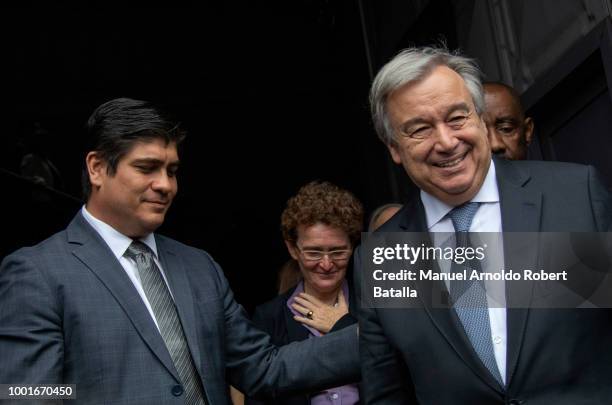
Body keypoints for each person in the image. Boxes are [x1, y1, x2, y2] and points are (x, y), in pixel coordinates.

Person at [0, 98, 359, 405]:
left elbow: (265, 369)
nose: (165, 185)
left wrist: (377, 333)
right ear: (96, 168)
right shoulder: (38, 272)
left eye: (171, 170)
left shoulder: (198, 267)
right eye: (147, 168)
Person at [360, 46, 612, 404]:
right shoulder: (384, 256)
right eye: (420, 129)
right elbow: (388, 393)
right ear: (394, 149)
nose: (446, 142)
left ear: (479, 117)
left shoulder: (574, 198)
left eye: (457, 118)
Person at [246, 181, 363, 405]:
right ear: (292, 249)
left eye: (338, 252)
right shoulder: (269, 318)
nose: (326, 264)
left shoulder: (377, 303)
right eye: (314, 252)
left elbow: (402, 370)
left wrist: (342, 326)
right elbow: (260, 393)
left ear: (352, 246)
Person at [483, 82, 534, 160]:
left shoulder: (557, 172)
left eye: (506, 129)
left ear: (527, 131)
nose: (495, 145)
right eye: (482, 133)